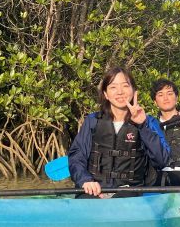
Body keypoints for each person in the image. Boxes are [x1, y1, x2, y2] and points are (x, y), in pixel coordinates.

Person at [68, 66, 170, 198]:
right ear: (106, 94)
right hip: (94, 189)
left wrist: (142, 125)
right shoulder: (93, 121)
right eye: (113, 87)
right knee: (87, 198)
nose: (120, 92)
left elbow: (162, 160)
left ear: (133, 90)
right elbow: (77, 156)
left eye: (125, 86)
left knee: (123, 199)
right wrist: (85, 180)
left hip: (130, 192)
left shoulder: (148, 121)